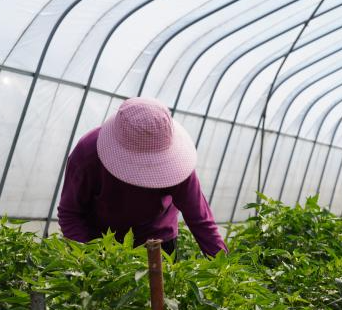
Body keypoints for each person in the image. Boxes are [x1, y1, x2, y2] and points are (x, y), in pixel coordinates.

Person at [57, 97, 226, 257]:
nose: (145, 170)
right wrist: (87, 260)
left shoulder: (178, 163)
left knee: (162, 286)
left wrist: (224, 271)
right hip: (100, 243)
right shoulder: (88, 154)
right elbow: (71, 213)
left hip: (157, 240)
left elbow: (200, 220)